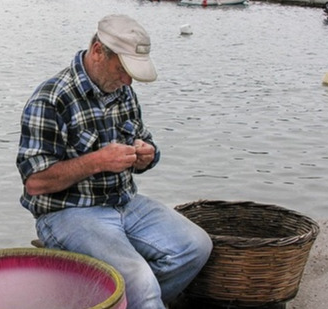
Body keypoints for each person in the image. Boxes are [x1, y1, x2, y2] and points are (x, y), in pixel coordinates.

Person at [15, 14, 212, 309]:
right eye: (122, 69)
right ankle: (136, 298)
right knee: (139, 281)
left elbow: (146, 144)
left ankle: (115, 301)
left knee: (195, 247)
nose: (128, 80)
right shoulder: (51, 98)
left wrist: (147, 155)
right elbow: (35, 182)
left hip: (125, 203)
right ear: (98, 51)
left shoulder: (123, 91)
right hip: (68, 212)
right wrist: (96, 161)